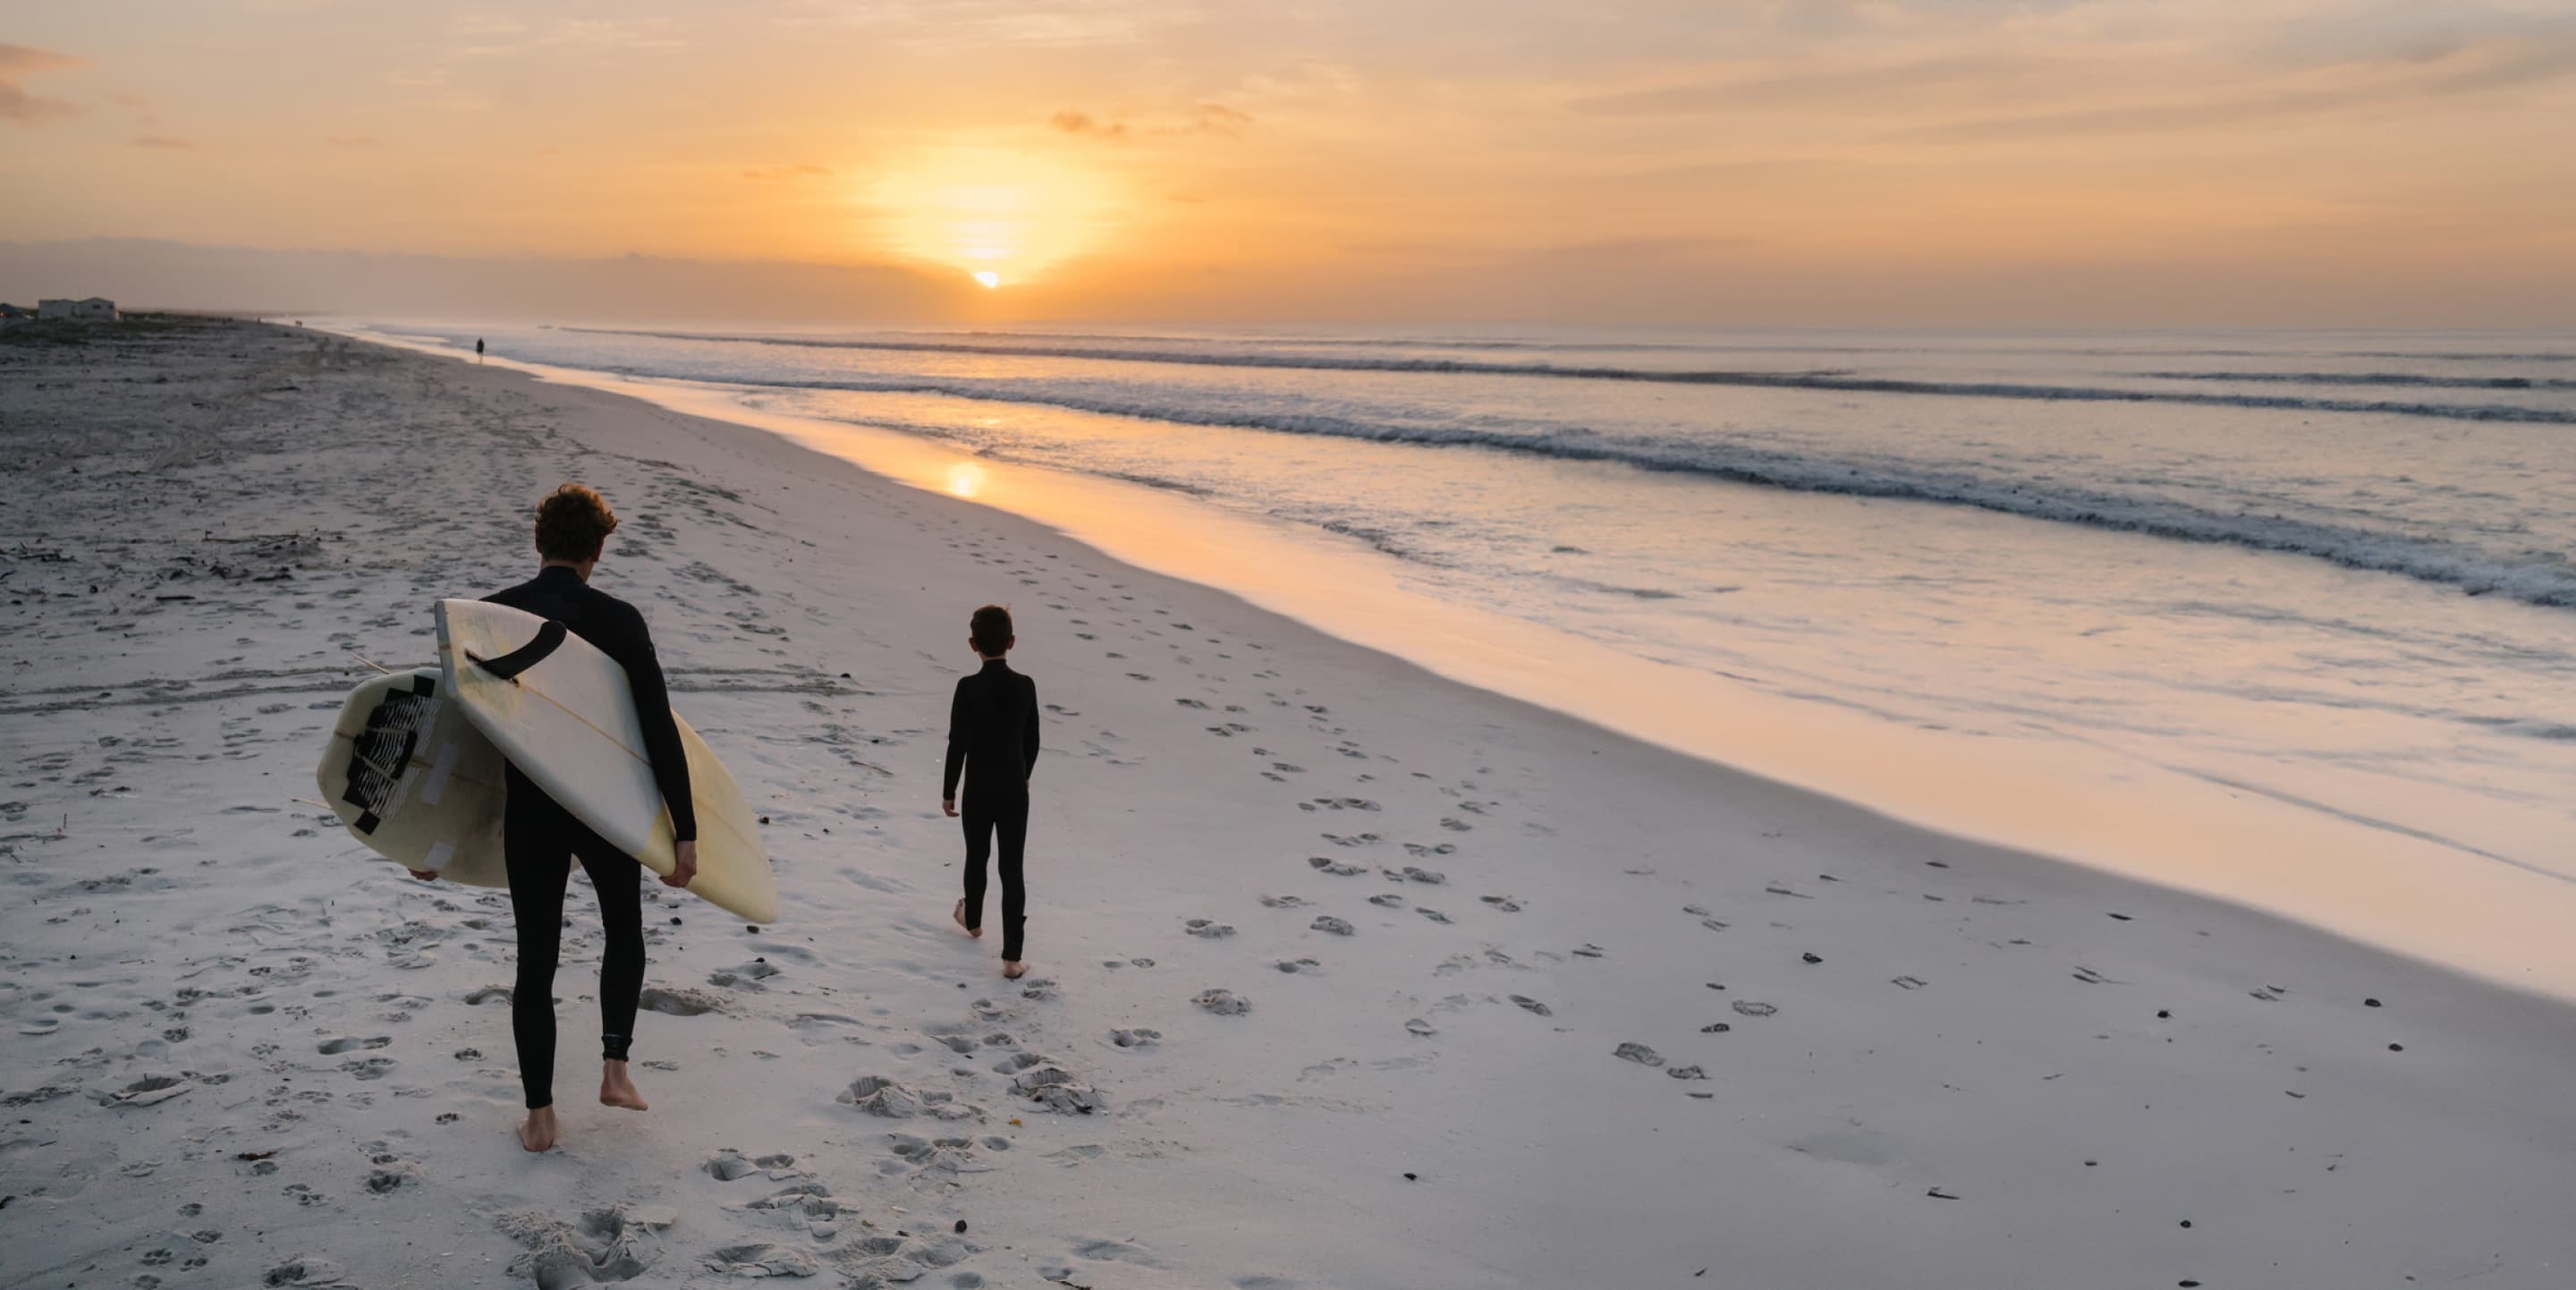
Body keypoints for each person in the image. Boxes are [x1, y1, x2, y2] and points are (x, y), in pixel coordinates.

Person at [419, 483, 697, 1153]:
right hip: (604, 806)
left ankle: (540, 1118)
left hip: (533, 812)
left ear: (538, 542)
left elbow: (460, 742)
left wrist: (431, 841)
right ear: (598, 549)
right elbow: (657, 731)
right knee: (623, 928)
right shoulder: (622, 620)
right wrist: (684, 831)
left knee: (535, 960)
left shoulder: (493, 617)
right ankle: (614, 1069)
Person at [942, 604, 1040, 978]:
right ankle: (1012, 959)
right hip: (1015, 788)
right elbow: (1032, 740)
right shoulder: (1025, 685)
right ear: (1011, 642)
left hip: (978, 788)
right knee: (1011, 868)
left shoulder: (967, 688)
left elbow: (957, 743)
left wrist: (949, 789)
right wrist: (1025, 773)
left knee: (976, 855)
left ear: (972, 645)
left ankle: (974, 921)